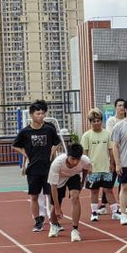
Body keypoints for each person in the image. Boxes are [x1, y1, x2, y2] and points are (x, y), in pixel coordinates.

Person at [12, 99, 62, 232]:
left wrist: (52, 152)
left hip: (48, 168)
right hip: (33, 169)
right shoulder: (25, 132)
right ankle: (38, 221)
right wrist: (26, 155)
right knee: (34, 196)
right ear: (32, 115)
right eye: (38, 114)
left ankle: (54, 221)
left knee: (51, 195)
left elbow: (57, 142)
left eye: (42, 113)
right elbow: (15, 145)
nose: (41, 116)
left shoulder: (49, 129)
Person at [81, 108, 121, 222]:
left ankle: (115, 212)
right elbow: (85, 152)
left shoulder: (107, 134)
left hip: (106, 168)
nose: (96, 123)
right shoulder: (86, 136)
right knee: (94, 191)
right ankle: (94, 212)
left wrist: (112, 163)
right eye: (94, 121)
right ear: (90, 122)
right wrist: (87, 166)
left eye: (98, 120)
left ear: (101, 121)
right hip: (93, 169)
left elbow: (111, 150)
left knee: (108, 190)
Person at [47, 143, 92, 242]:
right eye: (72, 159)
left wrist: (82, 182)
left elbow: (85, 169)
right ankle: (54, 225)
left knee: (75, 197)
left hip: (74, 176)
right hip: (59, 178)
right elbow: (53, 187)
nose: (75, 162)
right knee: (55, 205)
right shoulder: (57, 163)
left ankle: (75, 230)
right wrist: (57, 208)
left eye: (77, 159)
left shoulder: (85, 160)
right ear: (67, 156)